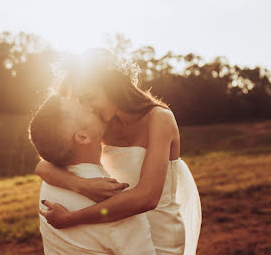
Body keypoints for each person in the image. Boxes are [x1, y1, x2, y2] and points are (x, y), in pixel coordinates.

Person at [36, 49, 202, 255]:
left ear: (112, 86)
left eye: (90, 97)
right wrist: (83, 186)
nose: (88, 107)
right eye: (81, 101)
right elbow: (43, 165)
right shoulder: (102, 125)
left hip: (161, 235)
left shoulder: (159, 119)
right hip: (120, 233)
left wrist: (72, 218)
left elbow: (148, 197)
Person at [29, 94, 157, 255]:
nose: (91, 105)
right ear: (82, 137)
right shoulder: (116, 203)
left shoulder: (49, 185)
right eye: (82, 107)